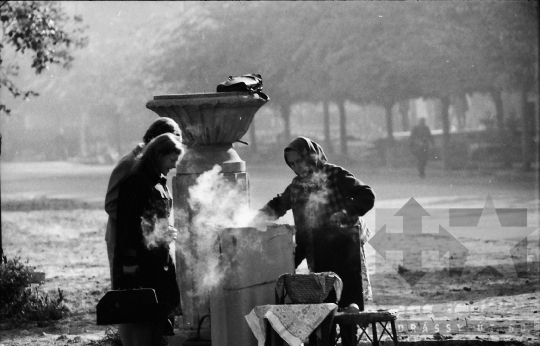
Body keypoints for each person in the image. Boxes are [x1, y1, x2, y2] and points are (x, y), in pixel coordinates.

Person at [255, 136, 375, 346]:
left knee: (347, 306)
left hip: (344, 248)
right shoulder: (296, 186)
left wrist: (345, 213)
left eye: (299, 161)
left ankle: (349, 342)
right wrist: (255, 218)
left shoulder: (334, 174)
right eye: (291, 164)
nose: (296, 167)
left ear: (311, 156)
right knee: (323, 307)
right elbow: (279, 205)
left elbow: (366, 195)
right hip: (315, 249)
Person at [114, 133, 183, 346]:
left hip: (158, 262)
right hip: (141, 265)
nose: (173, 166)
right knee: (143, 319)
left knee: (157, 319)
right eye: (171, 160)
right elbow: (127, 225)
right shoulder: (136, 181)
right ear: (158, 155)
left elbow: (154, 221)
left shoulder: (158, 181)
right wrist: (129, 262)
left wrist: (165, 233)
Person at [104, 117, 181, 289]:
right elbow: (113, 204)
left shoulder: (154, 168)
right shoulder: (131, 164)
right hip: (124, 239)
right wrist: (146, 227)